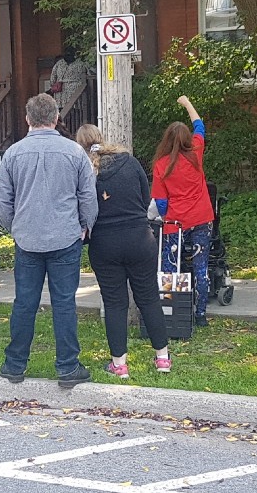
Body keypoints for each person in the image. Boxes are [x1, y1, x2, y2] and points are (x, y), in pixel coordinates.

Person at [0, 94, 98, 388]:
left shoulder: (13, 154)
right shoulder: (75, 153)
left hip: (27, 238)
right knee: (64, 303)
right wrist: (85, 226)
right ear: (56, 118)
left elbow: (3, 201)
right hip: (65, 236)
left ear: (28, 119)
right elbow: (88, 197)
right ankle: (67, 367)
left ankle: (15, 364)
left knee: (24, 303)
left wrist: (13, 227)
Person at [76, 124, 172, 378]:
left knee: (115, 303)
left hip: (104, 243)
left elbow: (83, 208)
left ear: (80, 145)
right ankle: (162, 358)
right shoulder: (129, 162)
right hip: (139, 237)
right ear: (101, 139)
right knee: (149, 297)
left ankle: (119, 364)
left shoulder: (86, 171)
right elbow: (145, 197)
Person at [151, 96, 215, 327]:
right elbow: (200, 125)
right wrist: (188, 103)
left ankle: (171, 311)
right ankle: (201, 314)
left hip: (175, 222)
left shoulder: (161, 165)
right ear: (188, 139)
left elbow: (160, 201)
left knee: (171, 266)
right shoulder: (196, 152)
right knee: (201, 265)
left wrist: (167, 216)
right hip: (202, 217)